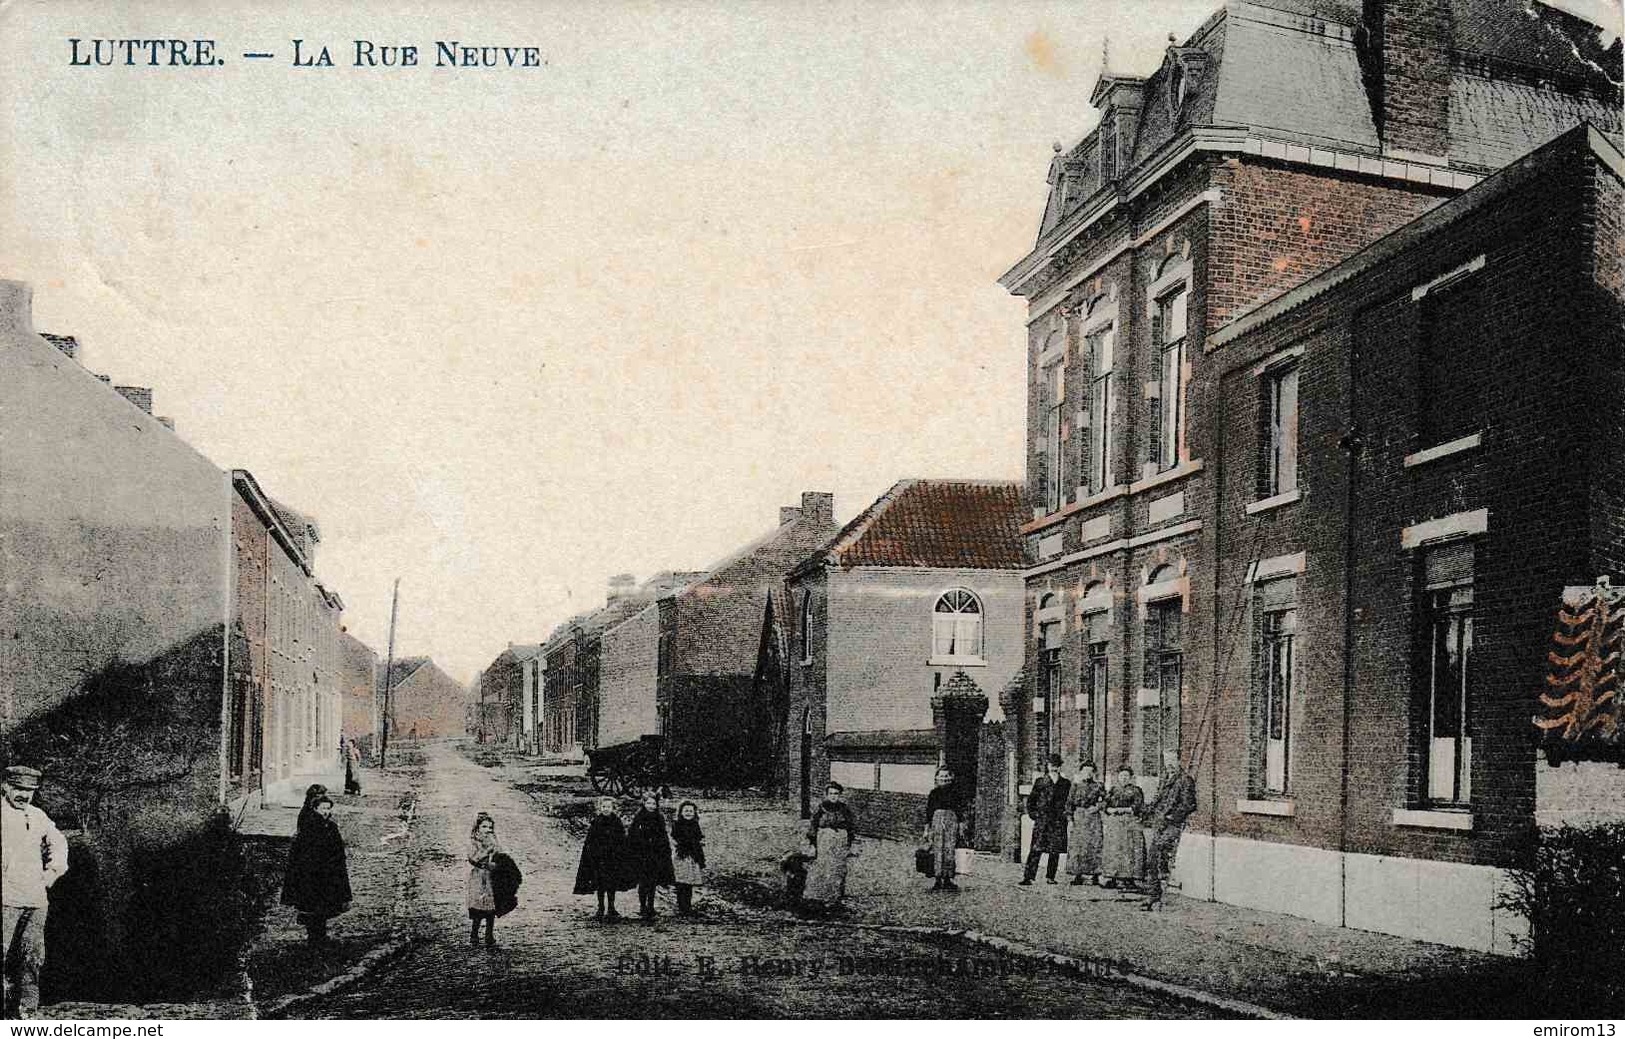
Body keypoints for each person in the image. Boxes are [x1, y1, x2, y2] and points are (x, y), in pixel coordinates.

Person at [1, 766, 68, 1019]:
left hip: (36, 900)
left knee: (31, 958)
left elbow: (59, 842)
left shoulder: (37, 815)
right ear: (5, 786)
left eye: (29, 791)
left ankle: (26, 1014)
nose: (24, 795)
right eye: (18, 789)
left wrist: (51, 873)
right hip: (5, 899)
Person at [281, 785, 352, 946]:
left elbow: (336, 848)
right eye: (322, 808)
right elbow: (304, 851)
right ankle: (315, 938)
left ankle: (319, 936)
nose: (326, 811)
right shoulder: (310, 824)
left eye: (328, 808)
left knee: (322, 905)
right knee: (313, 905)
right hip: (313, 873)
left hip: (328, 871)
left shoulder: (330, 826)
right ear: (315, 806)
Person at [1141, 749, 1197, 911]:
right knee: (1151, 858)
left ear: (1179, 761)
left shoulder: (1185, 780)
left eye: (1172, 760)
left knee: (1158, 853)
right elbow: (1157, 801)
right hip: (1159, 824)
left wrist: (1172, 817)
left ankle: (1156, 894)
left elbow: (1189, 804)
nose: (1169, 764)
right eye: (1166, 761)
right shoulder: (1165, 779)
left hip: (1172, 825)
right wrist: (1146, 811)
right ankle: (1153, 894)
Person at [573, 797, 631, 921]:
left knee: (612, 885)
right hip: (599, 860)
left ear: (613, 808)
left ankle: (611, 907)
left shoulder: (617, 822)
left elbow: (622, 840)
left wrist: (621, 854)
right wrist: (592, 855)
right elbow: (590, 841)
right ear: (600, 808)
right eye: (604, 807)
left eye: (608, 807)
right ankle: (600, 907)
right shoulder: (596, 822)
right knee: (600, 884)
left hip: (613, 859)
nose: (606, 809)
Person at [802, 782, 856, 908]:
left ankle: (835, 897)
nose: (833, 796)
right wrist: (812, 844)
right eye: (831, 793)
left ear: (840, 795)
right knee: (823, 865)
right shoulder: (821, 808)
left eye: (836, 794)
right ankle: (819, 896)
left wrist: (850, 843)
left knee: (837, 867)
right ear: (826, 795)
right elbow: (813, 826)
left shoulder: (844, 808)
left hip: (840, 839)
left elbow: (851, 827)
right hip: (824, 838)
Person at [1019, 754, 1070, 885]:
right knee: (1036, 848)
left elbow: (1068, 802)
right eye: (1051, 765)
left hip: (1058, 820)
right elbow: (1031, 801)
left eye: (1056, 765)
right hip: (1043, 820)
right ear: (1047, 766)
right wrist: (1034, 815)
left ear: (1060, 767)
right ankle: (1028, 877)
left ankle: (1050, 876)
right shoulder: (1040, 782)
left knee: (1055, 850)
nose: (1054, 768)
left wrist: (1065, 815)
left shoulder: (1065, 783)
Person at [626, 791, 675, 920]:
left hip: (655, 854)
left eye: (654, 803)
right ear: (644, 803)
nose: (651, 806)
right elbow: (632, 834)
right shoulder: (639, 817)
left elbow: (663, 835)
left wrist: (664, 849)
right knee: (643, 882)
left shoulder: (659, 817)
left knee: (653, 881)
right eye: (648, 803)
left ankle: (651, 906)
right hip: (641, 855)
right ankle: (642, 906)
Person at [1099, 765, 1146, 890]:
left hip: (1129, 823)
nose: (1124, 778)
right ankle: (1113, 876)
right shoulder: (1113, 790)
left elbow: (1138, 806)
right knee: (1114, 850)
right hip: (1114, 824)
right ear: (1118, 777)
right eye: (1121, 776)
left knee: (1128, 850)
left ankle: (1128, 878)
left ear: (1131, 777)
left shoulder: (1136, 790)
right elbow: (1105, 805)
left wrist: (1122, 810)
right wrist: (1110, 809)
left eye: (1126, 776)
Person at [921, 767, 964, 892]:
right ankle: (938, 879)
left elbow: (959, 809)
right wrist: (927, 828)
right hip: (937, 822)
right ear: (937, 778)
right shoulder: (933, 793)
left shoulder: (956, 793)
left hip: (951, 821)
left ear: (951, 778)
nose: (944, 779)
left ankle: (948, 879)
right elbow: (929, 812)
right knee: (937, 849)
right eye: (942, 776)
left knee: (949, 850)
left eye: (947, 776)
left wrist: (961, 825)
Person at [1067, 762, 1106, 886]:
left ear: (1094, 773)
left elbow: (1106, 800)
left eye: (1090, 771)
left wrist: (1097, 807)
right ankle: (1078, 874)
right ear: (1081, 772)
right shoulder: (1075, 786)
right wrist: (1070, 819)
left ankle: (1095, 874)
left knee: (1094, 845)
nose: (1088, 773)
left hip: (1093, 817)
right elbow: (1069, 803)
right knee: (1078, 846)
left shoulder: (1099, 786)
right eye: (1085, 771)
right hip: (1079, 816)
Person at [466, 812, 502, 947]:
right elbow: (473, 858)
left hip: (491, 876)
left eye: (490, 827)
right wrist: (486, 851)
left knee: (491, 905)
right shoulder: (474, 842)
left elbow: (500, 854)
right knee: (478, 905)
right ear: (477, 828)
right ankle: (474, 934)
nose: (488, 830)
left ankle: (489, 935)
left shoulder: (493, 840)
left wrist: (497, 862)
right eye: (484, 827)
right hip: (479, 876)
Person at [670, 801, 705, 916]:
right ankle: (681, 906)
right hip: (682, 855)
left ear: (694, 813)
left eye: (691, 811)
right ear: (681, 812)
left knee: (689, 882)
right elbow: (675, 838)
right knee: (681, 882)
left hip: (692, 856)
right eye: (686, 811)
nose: (688, 813)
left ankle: (687, 906)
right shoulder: (678, 824)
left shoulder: (695, 825)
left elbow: (698, 839)